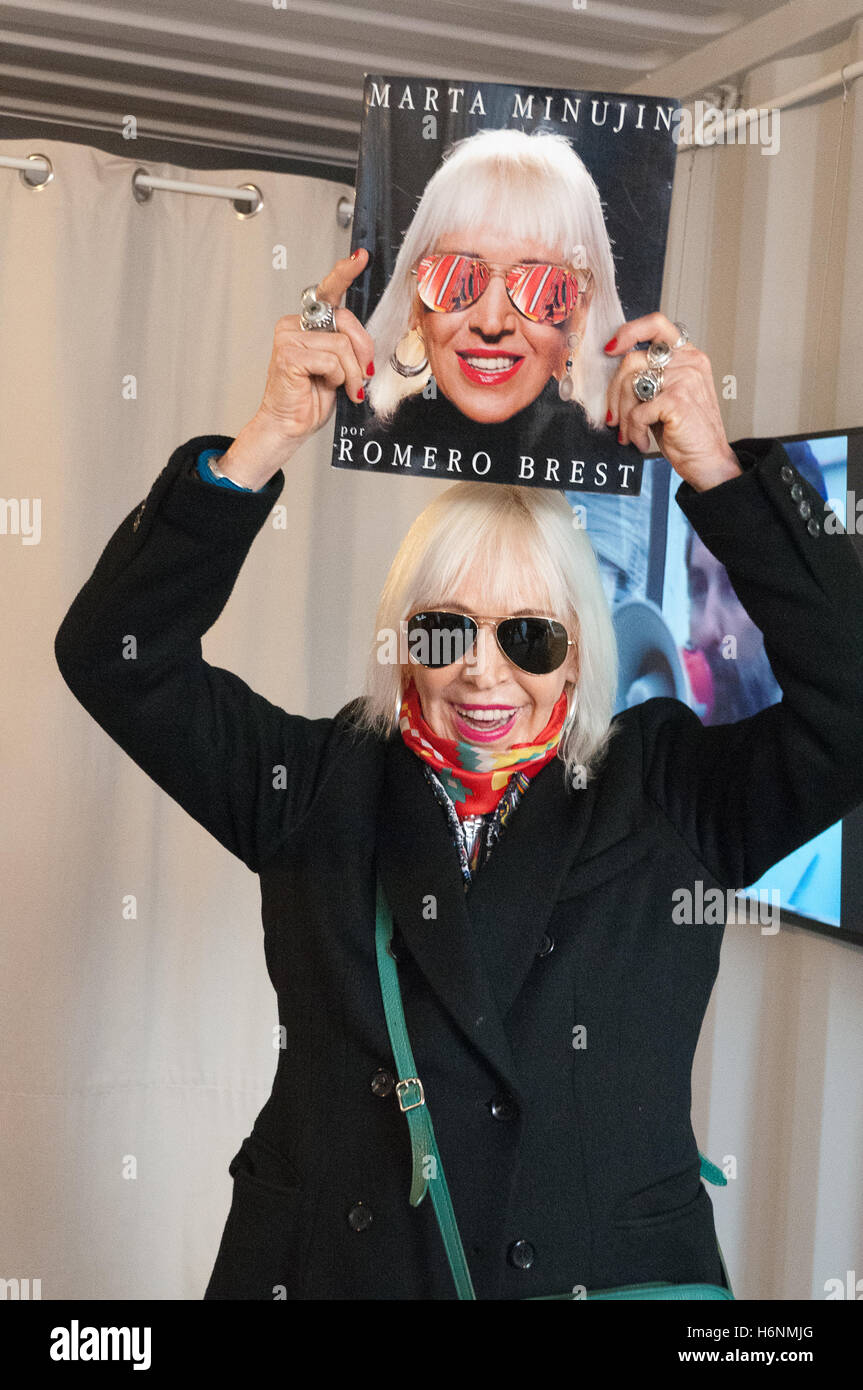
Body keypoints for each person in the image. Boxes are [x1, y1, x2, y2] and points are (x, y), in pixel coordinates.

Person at [54, 250, 863, 1300]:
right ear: (401, 640)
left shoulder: (665, 794)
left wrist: (711, 467)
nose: (482, 669)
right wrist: (267, 436)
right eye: (445, 630)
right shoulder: (312, 785)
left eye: (527, 635)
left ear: (577, 650)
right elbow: (116, 655)